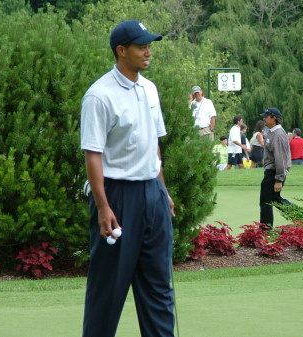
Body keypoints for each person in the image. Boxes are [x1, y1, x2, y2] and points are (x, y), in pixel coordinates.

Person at [80, 20, 175, 337]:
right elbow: (93, 155)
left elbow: (154, 145)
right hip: (117, 198)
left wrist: (163, 191)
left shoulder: (149, 89)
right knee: (107, 293)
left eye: (149, 45)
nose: (148, 51)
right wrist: (103, 206)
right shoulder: (99, 96)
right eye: (141, 46)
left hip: (153, 196)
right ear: (121, 51)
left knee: (159, 292)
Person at [259, 108, 292, 229]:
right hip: (272, 171)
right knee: (274, 199)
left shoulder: (278, 134)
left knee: (266, 201)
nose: (264, 119)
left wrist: (279, 179)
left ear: (274, 118)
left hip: (274, 172)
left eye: (266, 117)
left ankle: (265, 230)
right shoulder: (272, 132)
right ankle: (301, 215)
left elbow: (280, 158)